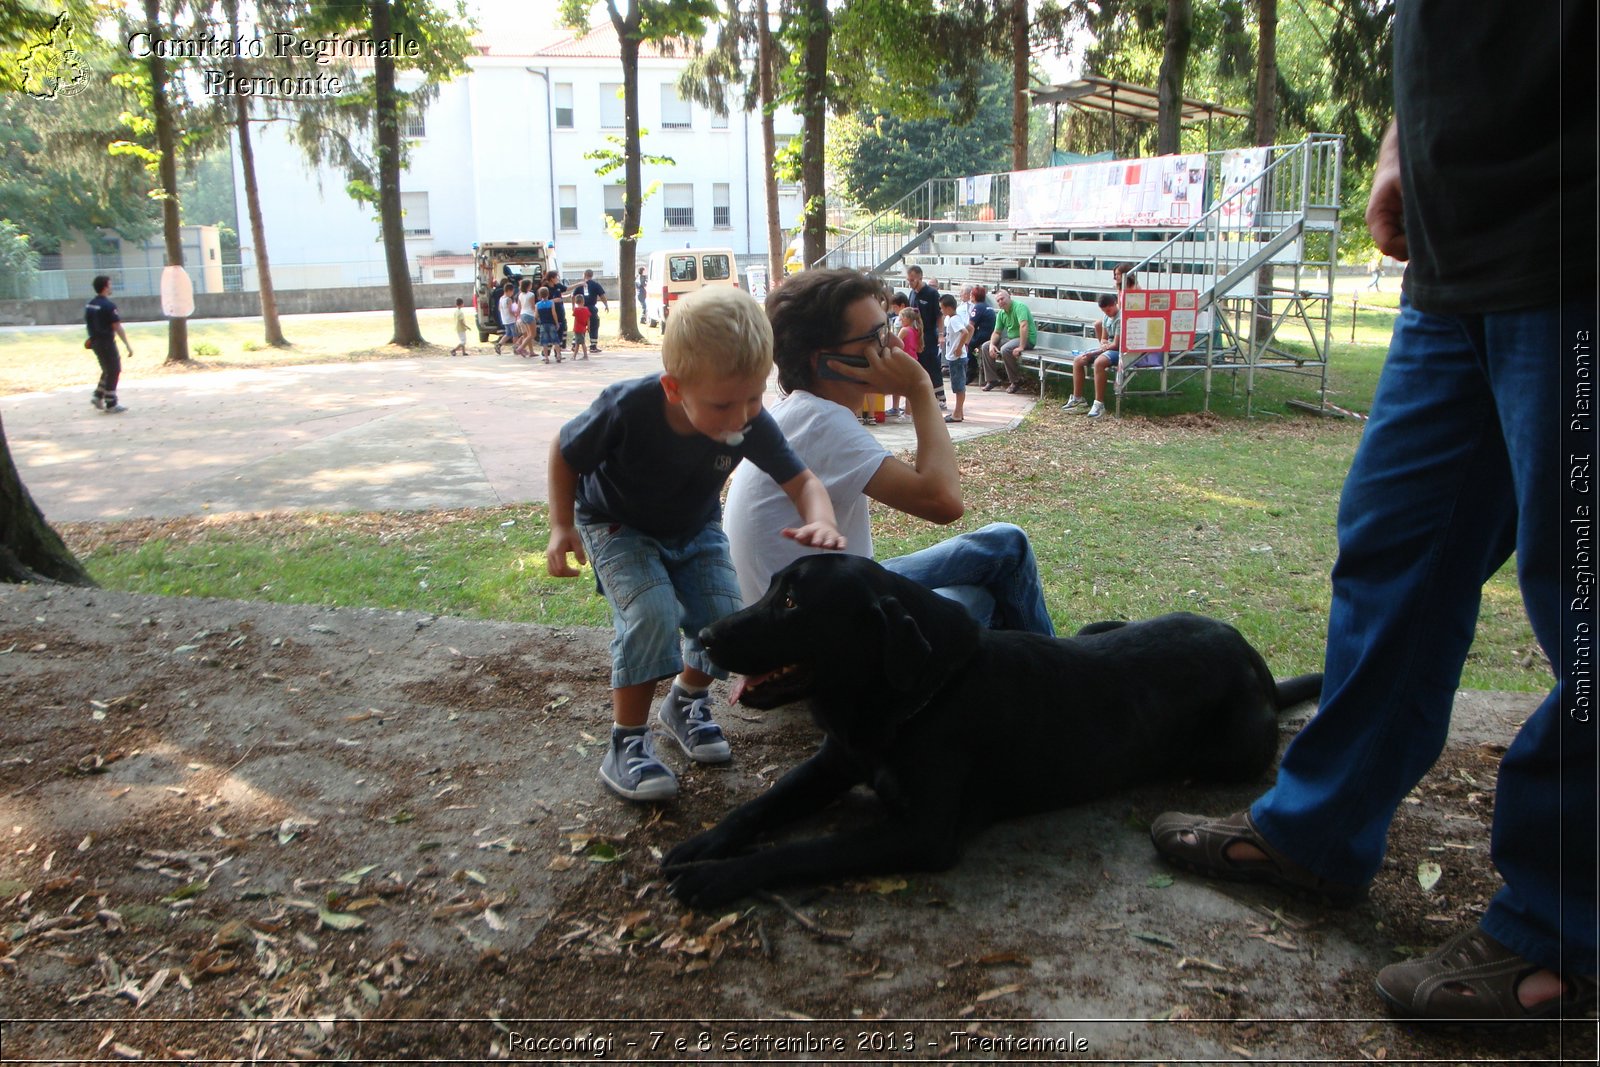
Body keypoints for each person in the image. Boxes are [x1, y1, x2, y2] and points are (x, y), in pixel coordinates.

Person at [1149, 1, 1596, 1022]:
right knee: (1394, 548)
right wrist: (1404, 137)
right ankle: (1317, 830)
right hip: (1460, 255)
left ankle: (1566, 927)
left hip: (1583, 244)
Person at [545, 285, 846, 803]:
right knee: (652, 614)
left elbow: (803, 483)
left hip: (694, 525)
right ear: (673, 388)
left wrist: (820, 520)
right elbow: (565, 452)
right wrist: (560, 525)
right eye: (723, 404)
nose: (741, 418)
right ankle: (627, 743)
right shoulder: (626, 408)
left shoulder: (747, 418)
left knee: (723, 616)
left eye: (754, 397)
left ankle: (685, 701)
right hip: (616, 524)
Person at [725, 268, 1055, 638]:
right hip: (815, 636)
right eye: (878, 337)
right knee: (979, 600)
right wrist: (918, 387)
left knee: (1005, 545)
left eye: (890, 327)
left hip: (816, 601)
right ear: (828, 360)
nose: (896, 346)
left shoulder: (799, 411)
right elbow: (944, 502)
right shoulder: (820, 422)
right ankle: (1060, 681)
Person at [1062, 294, 1121, 418]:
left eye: (1109, 310)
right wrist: (1103, 345)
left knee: (1099, 362)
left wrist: (1097, 351)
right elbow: (1104, 338)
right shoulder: (1106, 316)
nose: (1107, 313)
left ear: (1114, 304)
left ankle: (1099, 403)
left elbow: (1116, 344)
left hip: (1118, 350)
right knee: (1079, 360)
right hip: (1107, 348)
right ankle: (1078, 399)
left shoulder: (1120, 318)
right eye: (1104, 311)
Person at [84, 275, 132, 414]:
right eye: (110, 284)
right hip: (106, 342)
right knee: (114, 370)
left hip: (95, 342)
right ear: (105, 287)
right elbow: (117, 326)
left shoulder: (90, 304)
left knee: (107, 369)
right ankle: (111, 402)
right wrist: (127, 345)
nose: (111, 287)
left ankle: (98, 395)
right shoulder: (108, 306)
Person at [904, 265, 946, 408]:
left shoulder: (931, 294)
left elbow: (939, 315)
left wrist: (941, 334)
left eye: (913, 280)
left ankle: (940, 398)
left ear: (920, 278)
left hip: (928, 334)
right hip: (916, 335)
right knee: (918, 365)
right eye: (908, 280)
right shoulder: (912, 293)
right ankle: (921, 398)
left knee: (932, 365)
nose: (910, 283)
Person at [981, 289, 1036, 393]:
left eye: (1002, 299)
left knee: (1005, 349)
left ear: (1009, 297)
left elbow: (1024, 326)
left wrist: (1021, 347)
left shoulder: (1019, 307)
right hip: (1012, 339)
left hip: (1027, 339)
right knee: (985, 346)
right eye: (998, 300)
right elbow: (996, 332)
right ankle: (992, 380)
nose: (1000, 302)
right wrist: (992, 344)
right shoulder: (1001, 313)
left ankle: (1016, 381)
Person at [938, 294, 971, 423]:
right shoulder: (955, 318)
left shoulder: (954, 319)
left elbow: (965, 332)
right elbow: (970, 328)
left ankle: (957, 413)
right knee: (958, 385)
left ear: (948, 308)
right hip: (956, 356)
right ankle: (959, 412)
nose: (941, 310)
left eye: (942, 308)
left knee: (958, 386)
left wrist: (959, 347)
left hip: (956, 357)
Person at [968, 285, 997, 388]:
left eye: (971, 294)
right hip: (990, 334)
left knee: (966, 345)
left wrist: (966, 341)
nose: (970, 296)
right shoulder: (987, 305)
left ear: (974, 296)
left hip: (984, 335)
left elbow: (971, 325)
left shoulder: (978, 307)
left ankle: (971, 372)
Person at [574, 268, 609, 351]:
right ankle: (593, 346)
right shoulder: (595, 285)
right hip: (591, 308)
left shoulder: (580, 285)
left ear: (584, 275)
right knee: (594, 325)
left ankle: (574, 344)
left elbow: (573, 296)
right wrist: (606, 305)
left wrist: (574, 306)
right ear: (592, 275)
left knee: (579, 325)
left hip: (580, 308)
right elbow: (602, 296)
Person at [534, 286, 561, 363]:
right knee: (555, 340)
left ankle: (546, 357)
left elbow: (536, 315)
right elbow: (554, 313)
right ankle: (558, 355)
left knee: (544, 342)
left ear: (539, 295)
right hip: (551, 323)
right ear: (548, 294)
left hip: (543, 324)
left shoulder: (537, 305)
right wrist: (556, 323)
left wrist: (537, 320)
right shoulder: (551, 303)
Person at [544, 270, 570, 352]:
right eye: (556, 277)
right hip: (550, 314)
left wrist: (579, 284)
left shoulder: (558, 286)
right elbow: (541, 303)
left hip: (560, 313)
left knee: (560, 333)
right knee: (550, 334)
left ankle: (557, 353)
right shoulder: (545, 288)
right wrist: (553, 300)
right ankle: (546, 352)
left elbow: (567, 288)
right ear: (552, 278)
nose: (558, 278)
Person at [496, 281, 518, 356]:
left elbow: (499, 308)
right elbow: (510, 310)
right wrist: (515, 315)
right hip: (511, 319)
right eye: (512, 292)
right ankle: (515, 349)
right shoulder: (508, 299)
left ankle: (499, 345)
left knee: (508, 334)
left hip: (505, 319)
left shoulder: (501, 298)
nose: (512, 294)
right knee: (515, 335)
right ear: (509, 291)